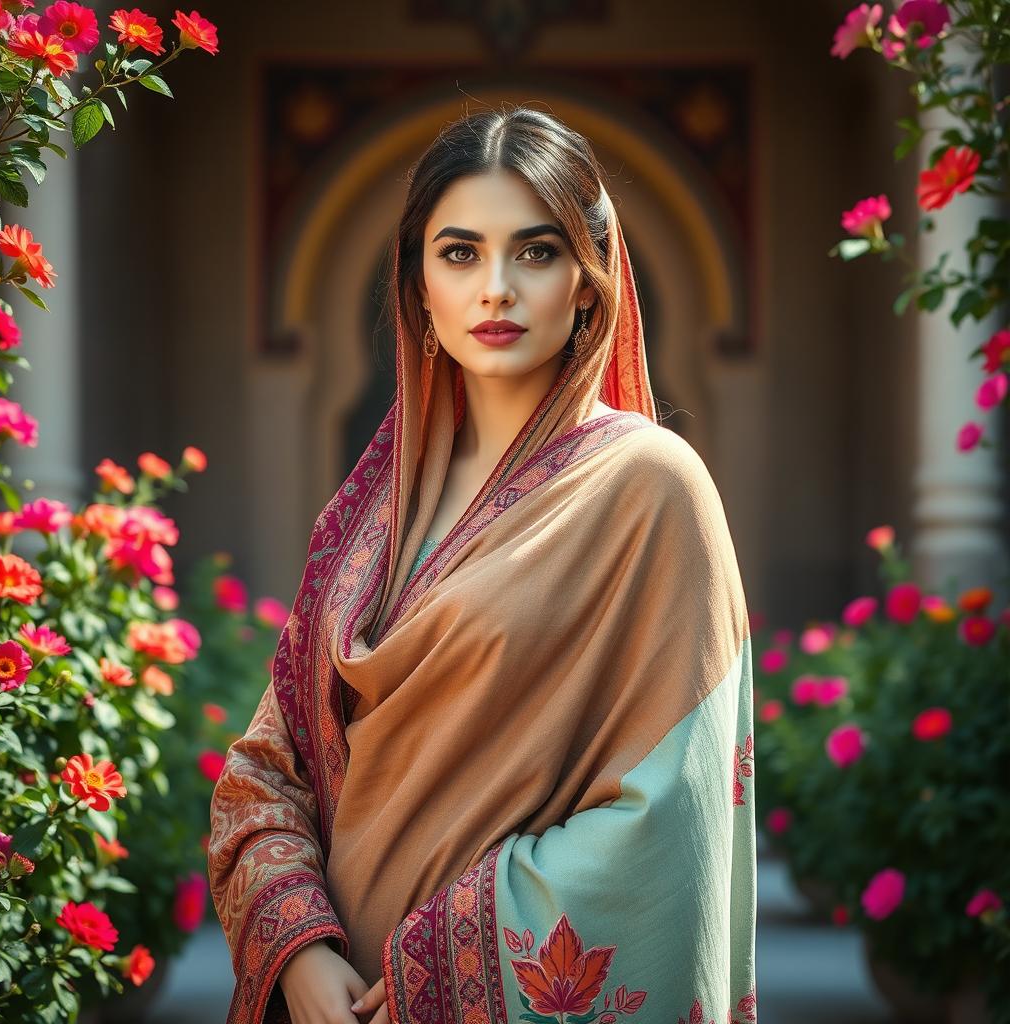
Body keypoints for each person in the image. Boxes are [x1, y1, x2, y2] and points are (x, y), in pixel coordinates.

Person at [208, 104, 757, 1024]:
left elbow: (668, 819)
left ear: (588, 283)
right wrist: (302, 950)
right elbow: (270, 767)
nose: (494, 288)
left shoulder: (651, 489)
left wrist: (431, 978)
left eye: (535, 253)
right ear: (418, 283)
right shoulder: (371, 512)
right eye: (459, 253)